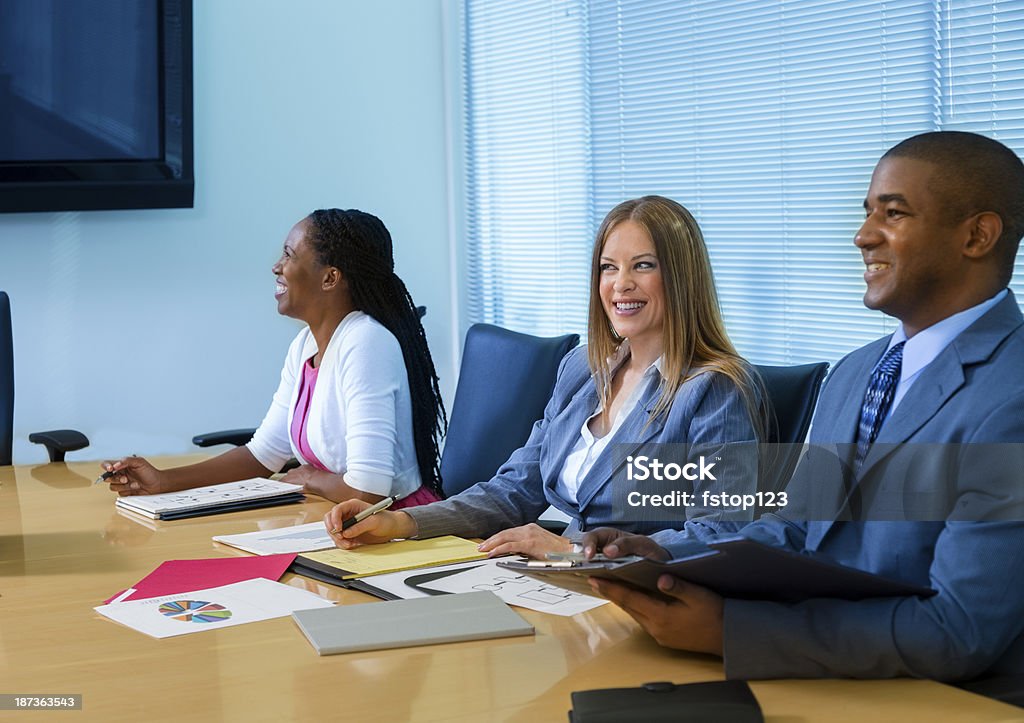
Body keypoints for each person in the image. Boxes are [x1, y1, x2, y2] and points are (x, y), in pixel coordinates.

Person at [580, 132, 1024, 694]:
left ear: (977, 235)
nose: (863, 236)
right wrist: (661, 554)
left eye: (894, 213)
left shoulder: (1012, 397)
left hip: (942, 697)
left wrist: (730, 630)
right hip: (820, 670)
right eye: (867, 213)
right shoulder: (855, 373)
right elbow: (794, 528)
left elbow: (959, 630)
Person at [325, 195, 766, 559]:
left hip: (637, 595)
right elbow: (518, 487)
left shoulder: (715, 389)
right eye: (609, 267)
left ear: (682, 279)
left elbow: (720, 533)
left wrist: (571, 550)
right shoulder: (583, 369)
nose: (621, 284)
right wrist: (402, 522)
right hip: (560, 581)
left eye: (643, 265)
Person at [102, 209, 447, 508]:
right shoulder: (305, 346)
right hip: (332, 516)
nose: (276, 267)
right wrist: (162, 481)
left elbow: (368, 490)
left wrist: (310, 478)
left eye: (288, 255)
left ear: (330, 277)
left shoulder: (366, 342)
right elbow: (263, 455)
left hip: (393, 526)